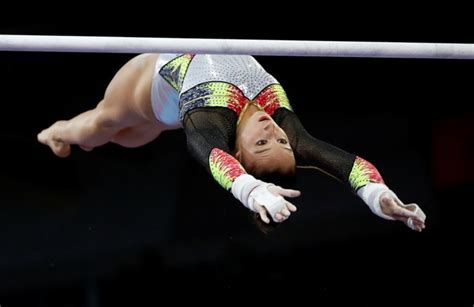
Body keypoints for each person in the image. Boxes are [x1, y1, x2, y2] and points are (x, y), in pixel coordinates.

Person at [37, 53, 426, 231]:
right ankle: (97, 140)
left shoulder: (211, 118)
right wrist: (377, 194)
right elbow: (342, 163)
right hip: (171, 109)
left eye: (261, 144)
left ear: (236, 154)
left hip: (147, 88)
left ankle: (57, 131)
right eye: (281, 140)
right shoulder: (278, 120)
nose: (270, 129)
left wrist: (250, 190)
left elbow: (203, 152)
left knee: (101, 126)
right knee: (136, 138)